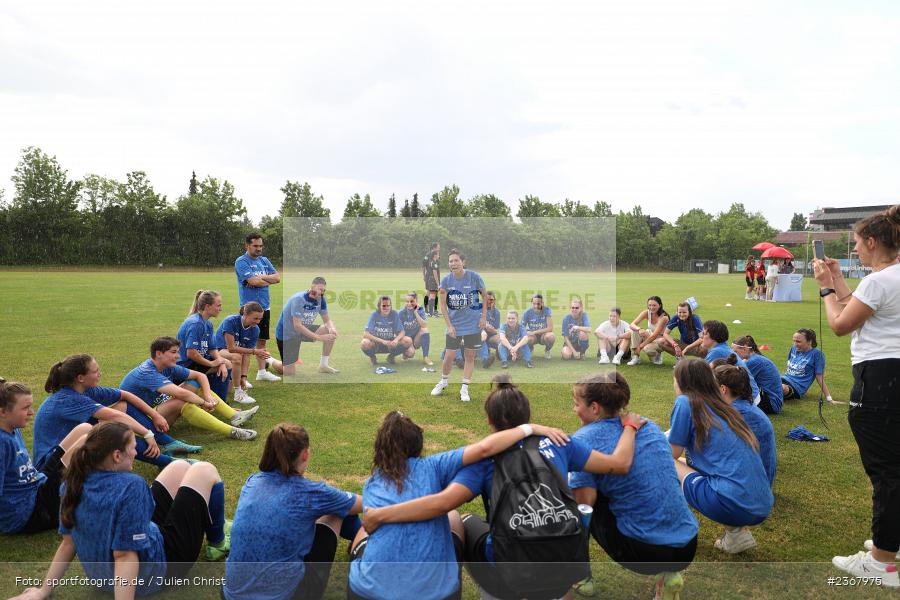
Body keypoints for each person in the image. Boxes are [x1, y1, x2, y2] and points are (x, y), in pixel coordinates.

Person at [358, 378, 645, 600]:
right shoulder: (559, 441)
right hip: (564, 557)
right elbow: (618, 464)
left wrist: (382, 515)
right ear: (528, 415)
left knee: (464, 521)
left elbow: (443, 503)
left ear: (490, 421)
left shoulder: (483, 462)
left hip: (511, 568)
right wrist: (630, 426)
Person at [347, 409, 572, 600]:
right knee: (454, 517)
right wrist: (529, 428)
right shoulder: (433, 466)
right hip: (437, 593)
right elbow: (484, 448)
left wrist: (381, 516)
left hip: (367, 592)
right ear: (417, 445)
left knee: (364, 533)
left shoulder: (372, 482)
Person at [12, 422, 229, 600]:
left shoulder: (72, 483)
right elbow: (124, 554)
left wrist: (43, 591)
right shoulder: (131, 485)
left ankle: (213, 535)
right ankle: (218, 541)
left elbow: (68, 542)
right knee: (203, 469)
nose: (136, 451)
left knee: (180, 466)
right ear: (117, 455)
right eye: (133, 447)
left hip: (104, 577)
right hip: (160, 570)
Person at [813, 204, 900, 586]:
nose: (854, 252)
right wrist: (838, 281)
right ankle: (890, 541)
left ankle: (882, 560)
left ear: (871, 241)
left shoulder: (880, 281)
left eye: (856, 246)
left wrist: (826, 288)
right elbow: (860, 306)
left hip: (879, 379)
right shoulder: (887, 278)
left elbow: (839, 324)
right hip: (893, 376)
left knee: (886, 472)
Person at [569, 372, 697, 600]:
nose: (574, 409)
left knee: (579, 503)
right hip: (687, 545)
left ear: (595, 408)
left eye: (576, 404)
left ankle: (580, 578)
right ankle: (669, 576)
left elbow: (583, 505)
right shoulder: (649, 426)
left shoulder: (583, 440)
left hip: (644, 551)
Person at [224, 423, 363, 600]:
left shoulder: (253, 482)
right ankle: (363, 544)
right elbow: (365, 504)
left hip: (231, 594)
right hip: (286, 596)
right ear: (305, 453)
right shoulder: (311, 493)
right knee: (337, 510)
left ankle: (358, 541)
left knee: (329, 506)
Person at [669, 360, 773, 555]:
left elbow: (670, 454)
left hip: (732, 502)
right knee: (683, 466)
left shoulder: (686, 401)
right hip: (761, 503)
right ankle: (737, 535)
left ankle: (669, 530)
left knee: (664, 463)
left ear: (682, 382)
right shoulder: (724, 406)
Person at [33, 355, 176, 469]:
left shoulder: (86, 390)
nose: (99, 374)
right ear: (80, 378)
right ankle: (167, 461)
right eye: (95, 371)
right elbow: (115, 416)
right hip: (51, 465)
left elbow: (125, 395)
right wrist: (147, 434)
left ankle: (168, 444)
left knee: (124, 406)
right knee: (112, 434)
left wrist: (155, 415)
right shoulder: (68, 398)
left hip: (72, 449)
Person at [120, 336, 258, 442]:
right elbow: (181, 393)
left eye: (177, 352)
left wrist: (208, 396)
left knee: (194, 384)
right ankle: (232, 431)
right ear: (158, 354)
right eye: (173, 352)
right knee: (181, 400)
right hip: (142, 423)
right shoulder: (147, 372)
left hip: (157, 412)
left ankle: (235, 416)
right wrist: (203, 403)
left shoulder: (167, 366)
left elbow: (199, 376)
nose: (178, 356)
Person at [1, 382, 91, 534]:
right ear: (3, 412)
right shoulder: (2, 442)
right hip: (30, 511)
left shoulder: (12, 428)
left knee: (85, 429)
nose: (31, 412)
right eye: (25, 408)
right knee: (87, 441)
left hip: (38, 483)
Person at [431, 248, 488, 403]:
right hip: (454, 325)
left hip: (473, 325)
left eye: (456, 260)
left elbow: (485, 296)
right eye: (451, 261)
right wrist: (449, 326)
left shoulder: (474, 277)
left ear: (463, 262)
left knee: (469, 356)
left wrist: (483, 316)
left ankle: (464, 388)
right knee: (449, 356)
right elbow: (442, 306)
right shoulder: (446, 281)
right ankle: (443, 381)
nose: (453, 263)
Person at [710, 358, 776, 486]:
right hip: (758, 484)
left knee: (674, 462)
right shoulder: (745, 407)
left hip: (746, 488)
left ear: (723, 389)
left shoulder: (736, 414)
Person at [235, 232, 282, 383]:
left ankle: (262, 372)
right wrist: (265, 280)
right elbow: (254, 282)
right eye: (255, 246)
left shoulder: (264, 260)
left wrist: (260, 278)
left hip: (264, 308)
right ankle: (243, 377)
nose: (259, 249)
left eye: (260, 246)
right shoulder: (241, 262)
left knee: (261, 341)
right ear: (247, 245)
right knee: (245, 344)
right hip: (248, 309)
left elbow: (277, 278)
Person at [215, 302, 285, 405]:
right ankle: (238, 394)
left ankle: (236, 384)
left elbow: (246, 356)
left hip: (230, 357)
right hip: (217, 352)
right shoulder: (230, 321)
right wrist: (254, 351)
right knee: (237, 356)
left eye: (260, 319)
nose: (258, 322)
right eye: (255, 318)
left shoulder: (255, 330)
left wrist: (244, 377)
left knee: (228, 390)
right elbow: (231, 348)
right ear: (245, 314)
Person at [275, 276, 339, 377]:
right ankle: (270, 360)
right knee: (289, 373)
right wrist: (319, 337)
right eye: (319, 289)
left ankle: (323, 365)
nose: (321, 292)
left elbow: (327, 320)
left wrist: (332, 328)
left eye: (323, 290)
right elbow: (297, 326)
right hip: (287, 334)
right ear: (312, 287)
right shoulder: (299, 299)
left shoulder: (321, 299)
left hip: (303, 329)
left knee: (329, 331)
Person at [178, 290, 232, 401]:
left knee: (226, 364)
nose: (221, 309)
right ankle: (219, 402)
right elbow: (191, 353)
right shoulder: (196, 323)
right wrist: (211, 363)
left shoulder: (208, 323)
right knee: (225, 365)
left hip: (196, 363)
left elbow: (212, 348)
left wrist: (220, 361)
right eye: (218, 305)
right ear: (207, 306)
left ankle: (217, 400)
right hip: (185, 366)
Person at [700, 320, 761, 405]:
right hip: (750, 396)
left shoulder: (717, 351)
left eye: (704, 333)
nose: (701, 336)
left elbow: (701, 377)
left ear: (714, 337)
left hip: (745, 400)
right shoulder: (722, 348)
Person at [731, 335, 784, 414]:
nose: (733, 354)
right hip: (772, 400)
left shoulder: (754, 361)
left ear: (745, 349)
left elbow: (736, 381)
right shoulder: (755, 358)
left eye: (735, 351)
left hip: (772, 404)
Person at [781, 328, 832, 403]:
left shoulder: (817, 355)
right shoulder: (793, 348)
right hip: (783, 379)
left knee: (781, 388)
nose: (795, 344)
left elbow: (819, 378)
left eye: (798, 341)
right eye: (794, 341)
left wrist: (829, 398)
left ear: (809, 342)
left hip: (795, 387)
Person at [361, 296, 409, 365]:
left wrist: (396, 340)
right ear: (379, 306)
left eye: (388, 305)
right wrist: (382, 341)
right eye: (383, 305)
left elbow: (402, 332)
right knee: (364, 343)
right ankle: (372, 357)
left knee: (408, 340)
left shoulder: (394, 314)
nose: (386, 307)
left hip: (390, 344)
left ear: (391, 306)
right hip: (376, 344)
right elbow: (365, 334)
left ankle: (391, 357)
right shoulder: (374, 315)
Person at [627, 296, 669, 366]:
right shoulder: (646, 312)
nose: (651, 307)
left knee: (647, 349)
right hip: (650, 335)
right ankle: (636, 357)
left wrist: (640, 347)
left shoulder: (664, 317)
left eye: (654, 305)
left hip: (660, 340)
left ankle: (657, 355)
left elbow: (654, 336)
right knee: (635, 331)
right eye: (649, 305)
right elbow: (632, 324)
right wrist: (639, 329)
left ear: (660, 305)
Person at [399, 292, 434, 367]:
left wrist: (415, 312)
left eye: (412, 301)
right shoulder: (401, 313)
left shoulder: (420, 310)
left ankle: (425, 357)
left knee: (425, 330)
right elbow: (398, 331)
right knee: (410, 354)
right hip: (406, 340)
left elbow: (424, 325)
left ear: (416, 301)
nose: (409, 303)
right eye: (407, 301)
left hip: (416, 339)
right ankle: (405, 352)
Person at [522, 294, 556, 359]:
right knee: (527, 339)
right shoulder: (527, 312)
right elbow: (521, 327)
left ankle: (547, 350)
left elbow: (550, 328)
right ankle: (530, 349)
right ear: (531, 303)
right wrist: (527, 332)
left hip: (544, 335)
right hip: (533, 336)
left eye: (538, 303)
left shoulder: (547, 310)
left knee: (551, 337)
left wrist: (535, 332)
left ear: (542, 303)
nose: (536, 306)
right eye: (534, 303)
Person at [478, 291, 502, 369]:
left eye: (491, 299)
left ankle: (501, 353)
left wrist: (491, 329)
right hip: (479, 333)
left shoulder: (497, 312)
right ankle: (485, 360)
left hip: (491, 334)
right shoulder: (477, 309)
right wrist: (483, 326)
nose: (489, 301)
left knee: (501, 338)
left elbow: (496, 329)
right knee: (482, 337)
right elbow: (472, 324)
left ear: (494, 300)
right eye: (486, 299)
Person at [423, 243, 441, 317]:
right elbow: (423, 266)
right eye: (438, 247)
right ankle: (428, 310)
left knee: (433, 294)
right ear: (434, 248)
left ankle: (433, 310)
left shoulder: (434, 260)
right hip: (431, 278)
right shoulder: (428, 256)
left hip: (433, 278)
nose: (439, 249)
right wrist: (424, 276)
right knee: (430, 294)